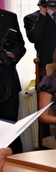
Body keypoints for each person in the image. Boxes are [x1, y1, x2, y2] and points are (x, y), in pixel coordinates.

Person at [0, 8, 26, 153]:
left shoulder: (9, 17)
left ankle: (16, 162)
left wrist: (13, 55)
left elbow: (21, 46)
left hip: (9, 82)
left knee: (11, 129)